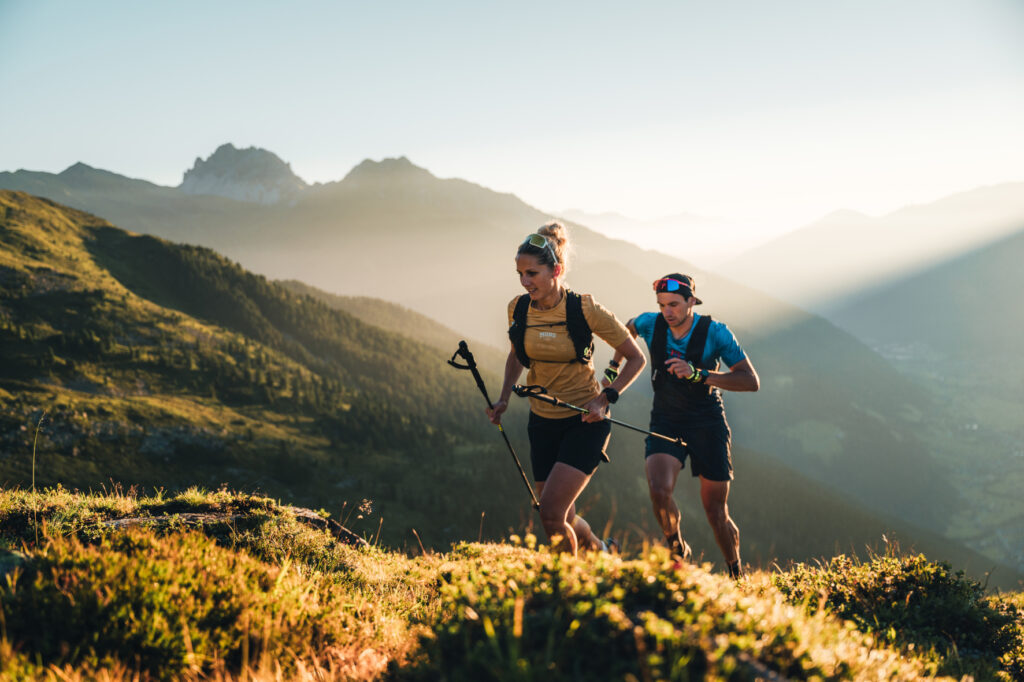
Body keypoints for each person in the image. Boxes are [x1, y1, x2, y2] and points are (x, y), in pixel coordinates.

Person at [487, 222, 646, 555]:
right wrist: (503, 398)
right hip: (542, 422)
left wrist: (604, 399)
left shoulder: (584, 309)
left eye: (532, 273)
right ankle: (603, 552)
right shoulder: (517, 309)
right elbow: (517, 355)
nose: (524, 281)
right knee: (565, 516)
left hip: (585, 421)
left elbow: (635, 358)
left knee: (550, 514)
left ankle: (568, 592)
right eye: (520, 273)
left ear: (556, 270)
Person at [610, 274, 759, 577]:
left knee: (715, 511)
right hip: (666, 417)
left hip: (707, 421)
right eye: (662, 305)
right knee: (658, 489)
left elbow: (750, 381)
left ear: (692, 301)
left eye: (675, 304)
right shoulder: (651, 323)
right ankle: (676, 547)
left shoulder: (716, 333)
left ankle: (735, 572)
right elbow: (627, 328)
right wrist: (613, 368)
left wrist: (698, 375)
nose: (668, 312)